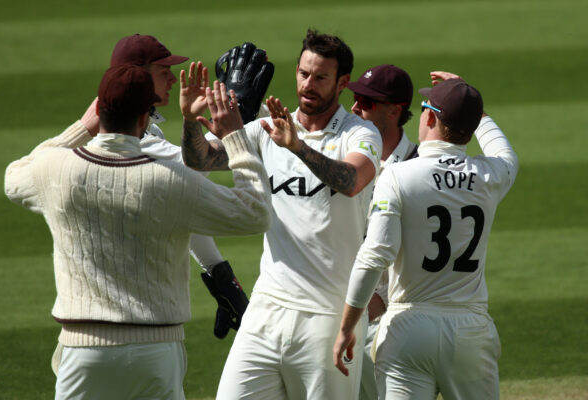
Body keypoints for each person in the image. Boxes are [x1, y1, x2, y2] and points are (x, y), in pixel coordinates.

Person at [4, 64, 271, 399]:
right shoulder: (172, 181)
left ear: (98, 110)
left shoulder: (54, 169)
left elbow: (14, 177)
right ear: (146, 120)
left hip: (83, 351)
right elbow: (255, 213)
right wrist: (235, 137)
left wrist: (80, 129)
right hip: (157, 353)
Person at [182, 29, 382, 399]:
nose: (309, 84)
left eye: (321, 77)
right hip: (266, 309)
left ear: (342, 83)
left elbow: (352, 179)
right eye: (304, 73)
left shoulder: (361, 134)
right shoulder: (265, 130)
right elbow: (200, 161)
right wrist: (191, 120)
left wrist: (298, 148)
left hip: (327, 316)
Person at [333, 71, 519, 399]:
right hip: (470, 332)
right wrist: (473, 108)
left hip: (408, 328)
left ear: (430, 117)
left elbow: (375, 253)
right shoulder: (491, 175)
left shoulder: (395, 176)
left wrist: (348, 324)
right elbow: (506, 154)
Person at [76, 34, 262, 338]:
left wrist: (222, 279)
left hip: (117, 317)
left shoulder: (147, 129)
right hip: (123, 323)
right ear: (138, 76)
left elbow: (178, 203)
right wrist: (239, 116)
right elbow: (196, 170)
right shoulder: (129, 138)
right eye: (163, 71)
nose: (173, 79)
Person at [347, 64, 417, 400]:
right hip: (342, 312)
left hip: (387, 324)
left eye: (366, 101)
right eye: (356, 98)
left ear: (394, 110)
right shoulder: (347, 155)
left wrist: (380, 301)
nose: (354, 107)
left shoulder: (417, 167)